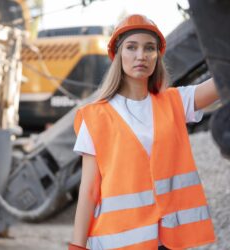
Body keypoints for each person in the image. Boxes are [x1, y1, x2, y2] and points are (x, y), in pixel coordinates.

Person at [69, 14, 219, 250]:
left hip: (168, 241)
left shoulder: (175, 102)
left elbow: (222, 83)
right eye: (131, 47)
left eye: (149, 48)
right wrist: (77, 245)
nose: (141, 55)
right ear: (118, 55)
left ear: (157, 56)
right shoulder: (95, 116)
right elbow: (88, 190)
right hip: (117, 241)